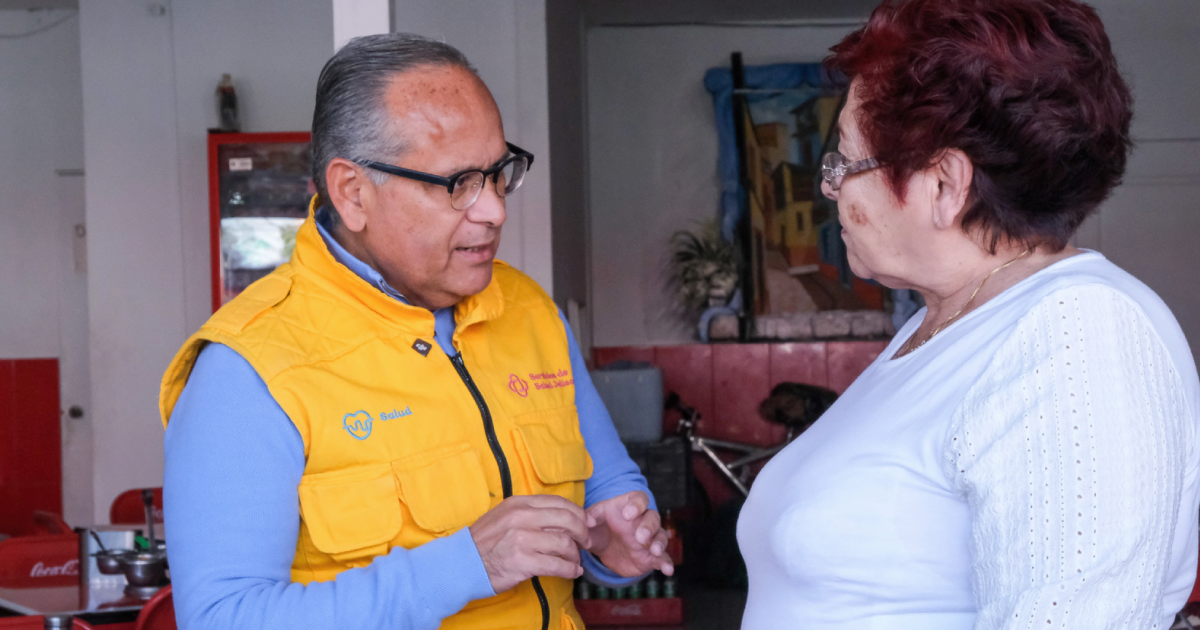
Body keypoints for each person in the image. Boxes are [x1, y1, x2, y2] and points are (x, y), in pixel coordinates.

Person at [159, 34, 672, 630]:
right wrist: (465, 565)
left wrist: (615, 542)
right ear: (353, 193)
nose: (495, 210)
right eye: (459, 183)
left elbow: (608, 486)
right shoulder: (250, 369)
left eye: (498, 173)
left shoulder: (529, 311)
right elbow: (223, 618)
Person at [737, 0, 1200, 628]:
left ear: (945, 184)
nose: (830, 186)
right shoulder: (945, 321)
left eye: (845, 160)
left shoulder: (1079, 335)